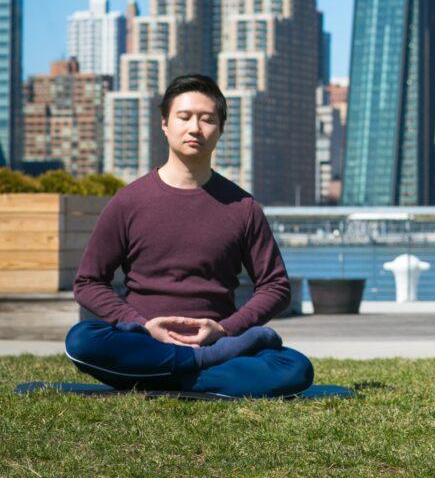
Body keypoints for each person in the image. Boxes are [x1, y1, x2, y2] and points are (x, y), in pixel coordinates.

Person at [66, 74, 313, 398]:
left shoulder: (243, 207)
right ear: (165, 124)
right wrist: (141, 325)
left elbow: (276, 286)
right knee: (82, 340)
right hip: (145, 341)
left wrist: (226, 330)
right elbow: (88, 282)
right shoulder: (128, 202)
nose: (195, 128)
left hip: (219, 340)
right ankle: (197, 367)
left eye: (207, 119)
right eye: (184, 117)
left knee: (295, 367)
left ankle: (161, 375)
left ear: (221, 129)